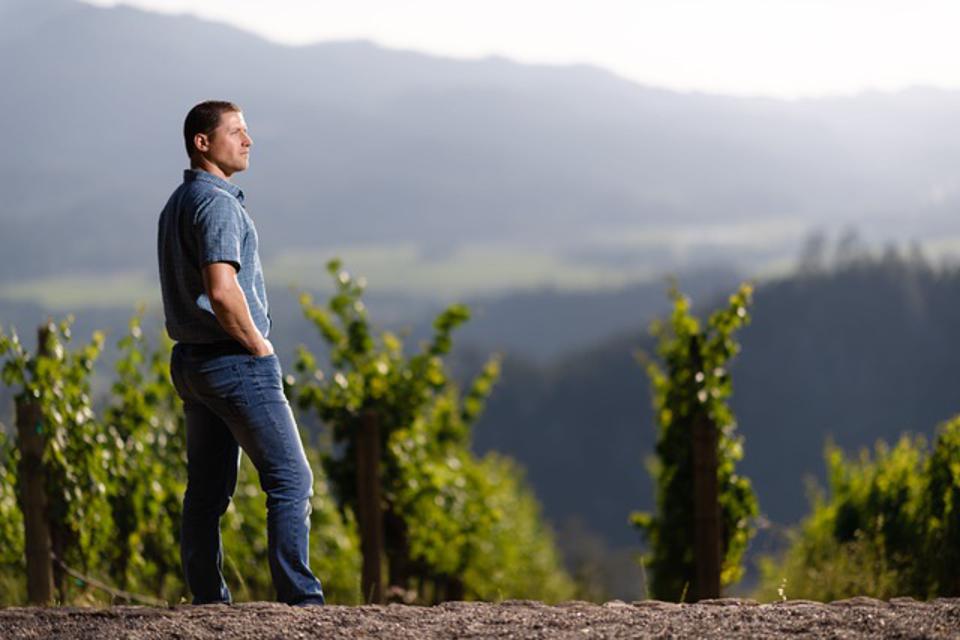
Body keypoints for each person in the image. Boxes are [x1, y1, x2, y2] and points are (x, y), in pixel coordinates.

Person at [157, 100, 325, 606]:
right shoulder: (218, 204)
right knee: (291, 481)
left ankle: (209, 603)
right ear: (202, 142)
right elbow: (221, 289)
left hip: (191, 364)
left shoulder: (178, 202)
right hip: (233, 362)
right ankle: (303, 606)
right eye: (236, 132)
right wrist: (259, 345)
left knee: (206, 493)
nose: (249, 140)